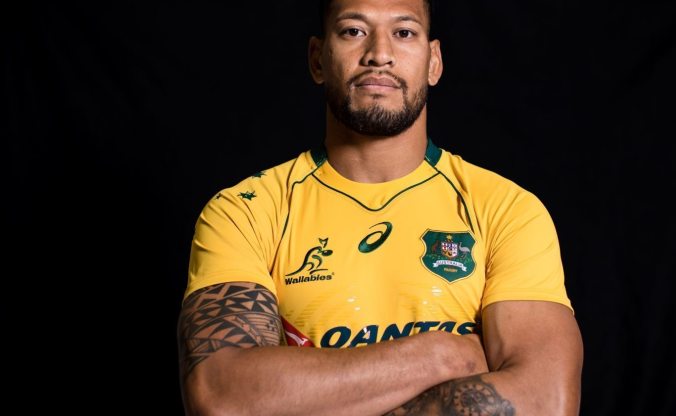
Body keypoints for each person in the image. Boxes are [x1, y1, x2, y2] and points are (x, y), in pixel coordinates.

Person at [177, 0, 583, 414]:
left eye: (404, 33)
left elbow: (546, 402)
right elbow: (223, 398)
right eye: (353, 31)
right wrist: (448, 356)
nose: (379, 53)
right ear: (318, 60)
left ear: (433, 62)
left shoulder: (506, 209)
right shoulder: (245, 210)